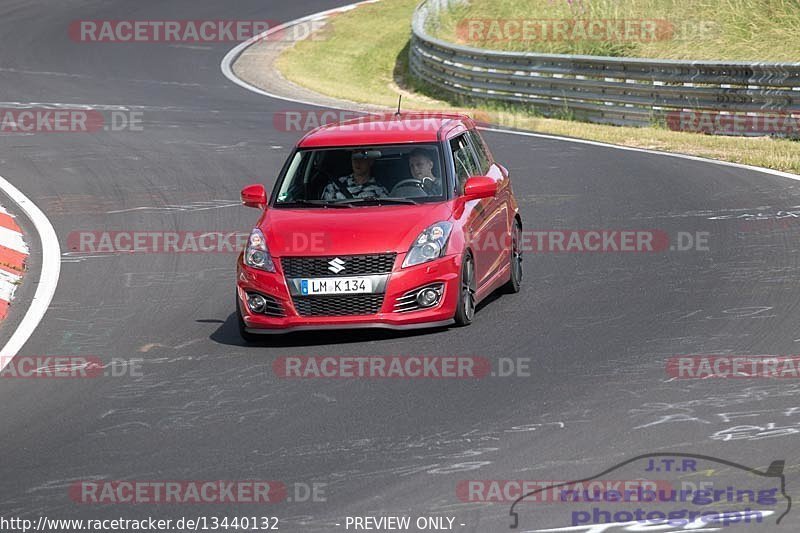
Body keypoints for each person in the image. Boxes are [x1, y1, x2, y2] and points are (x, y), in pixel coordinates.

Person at [321, 151, 388, 200]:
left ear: (370, 161)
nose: (357, 162)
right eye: (354, 158)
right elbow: (324, 210)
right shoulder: (335, 185)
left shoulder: (379, 191)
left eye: (361, 158)